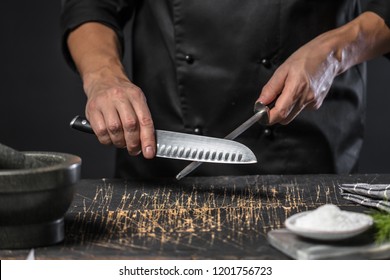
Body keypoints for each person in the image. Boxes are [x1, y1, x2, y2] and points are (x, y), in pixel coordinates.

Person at [60, 0, 390, 179]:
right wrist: (103, 75)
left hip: (301, 161)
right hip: (161, 162)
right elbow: (90, 6)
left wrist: (335, 52)